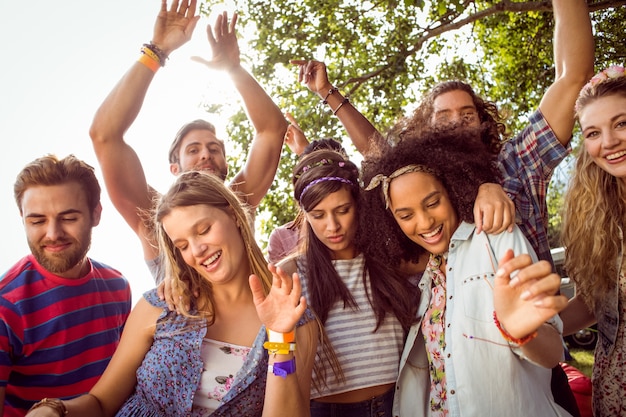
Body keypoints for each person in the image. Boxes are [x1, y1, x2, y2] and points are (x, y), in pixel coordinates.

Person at [292, 2, 593, 412]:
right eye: (443, 116)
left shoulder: (516, 164)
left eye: (466, 114)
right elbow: (380, 156)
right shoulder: (429, 243)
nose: (455, 123)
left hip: (529, 360)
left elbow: (571, 77)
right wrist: (329, 94)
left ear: (483, 123)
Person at [25, 171, 319, 417]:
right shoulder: (161, 305)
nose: (197, 250)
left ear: (234, 215)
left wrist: (280, 338)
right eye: (182, 245)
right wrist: (54, 410)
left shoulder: (295, 321)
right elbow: (101, 404)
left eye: (203, 230)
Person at [361, 128, 570, 416]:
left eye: (433, 203)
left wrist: (524, 332)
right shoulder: (428, 275)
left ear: (452, 188)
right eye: (406, 215)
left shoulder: (497, 237)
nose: (424, 223)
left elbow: (552, 353)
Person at [89, 0, 288, 284]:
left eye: (214, 148)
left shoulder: (238, 204)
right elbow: (104, 135)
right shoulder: (155, 216)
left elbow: (272, 129)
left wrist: (234, 70)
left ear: (226, 164)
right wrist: (157, 50)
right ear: (175, 168)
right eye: (193, 150)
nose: (206, 155)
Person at [277, 148, 417, 416]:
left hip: (399, 404)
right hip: (328, 410)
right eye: (318, 215)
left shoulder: (387, 260)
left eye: (343, 210)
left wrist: (486, 190)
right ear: (305, 215)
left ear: (358, 204)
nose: (332, 226)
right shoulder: (291, 273)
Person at [0, 154, 132, 416]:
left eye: (69, 218)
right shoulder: (5, 306)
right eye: (37, 221)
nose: (52, 234)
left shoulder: (119, 287)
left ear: (96, 214)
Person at [560, 64, 626, 416]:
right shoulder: (597, 217)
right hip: (615, 383)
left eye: (621, 123)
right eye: (593, 133)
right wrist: (541, 328)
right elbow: (594, 303)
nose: (609, 142)